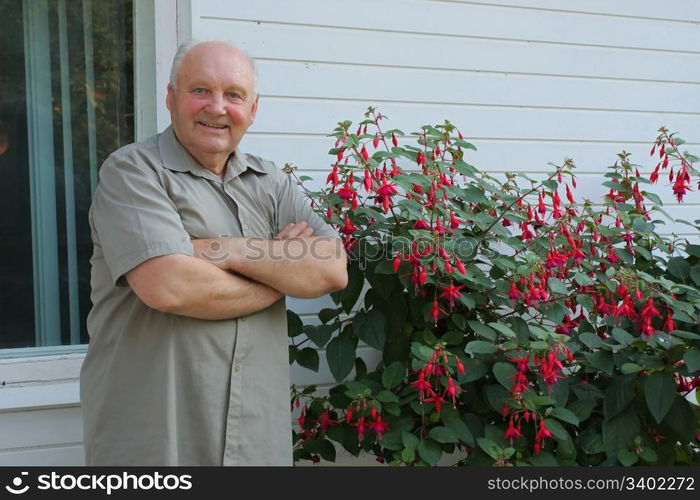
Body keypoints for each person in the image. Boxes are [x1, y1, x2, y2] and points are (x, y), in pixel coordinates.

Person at [80, 40, 347, 466]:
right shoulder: (131, 172)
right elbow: (171, 286)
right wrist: (278, 270)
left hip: (256, 437)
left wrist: (228, 252)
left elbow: (332, 269)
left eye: (234, 95)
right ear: (171, 98)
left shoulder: (271, 182)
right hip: (159, 438)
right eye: (200, 90)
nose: (217, 107)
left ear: (253, 109)